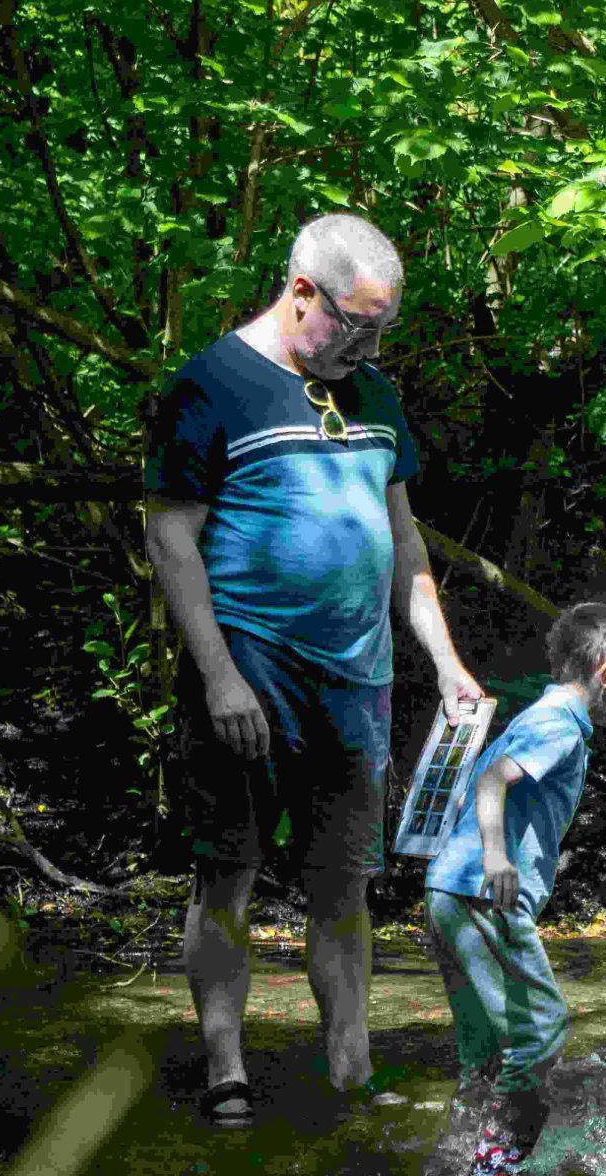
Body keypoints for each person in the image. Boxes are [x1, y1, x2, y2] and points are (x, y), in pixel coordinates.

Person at [145, 212, 482, 1129]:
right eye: (356, 324)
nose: (369, 345)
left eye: (384, 328)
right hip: (249, 669)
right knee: (230, 875)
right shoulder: (210, 386)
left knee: (345, 885)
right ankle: (226, 1070)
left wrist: (445, 661)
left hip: (355, 680)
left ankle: (351, 1070)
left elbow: (403, 537)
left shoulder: (372, 394)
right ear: (302, 293)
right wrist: (217, 676)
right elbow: (171, 537)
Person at [425, 604, 606, 1176]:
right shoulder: (559, 724)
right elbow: (493, 776)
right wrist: (498, 856)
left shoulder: (548, 715)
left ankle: (458, 1155)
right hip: (484, 893)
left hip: (452, 893)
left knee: (488, 1047)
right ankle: (496, 1169)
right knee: (543, 1030)